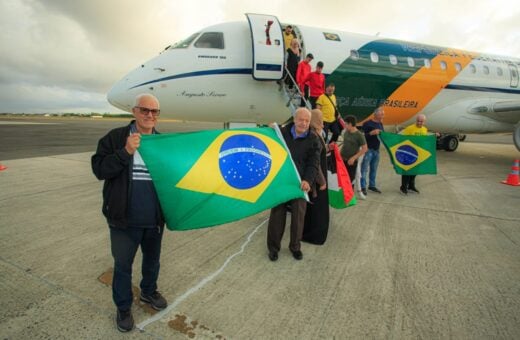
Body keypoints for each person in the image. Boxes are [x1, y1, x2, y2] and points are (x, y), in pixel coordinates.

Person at [91, 93, 168, 332]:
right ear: (134, 111)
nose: (149, 115)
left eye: (154, 112)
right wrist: (125, 152)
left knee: (152, 262)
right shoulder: (115, 138)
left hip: (154, 221)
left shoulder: (163, 143)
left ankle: (147, 292)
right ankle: (123, 307)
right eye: (144, 110)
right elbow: (100, 170)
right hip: (123, 221)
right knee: (123, 266)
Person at [267, 108, 321, 261]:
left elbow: (313, 163)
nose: (304, 123)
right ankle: (273, 248)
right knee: (277, 215)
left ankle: (295, 247)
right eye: (301, 120)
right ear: (294, 119)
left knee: (298, 217)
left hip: (300, 183)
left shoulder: (313, 139)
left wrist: (308, 180)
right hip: (282, 181)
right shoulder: (281, 133)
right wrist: (270, 129)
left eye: (307, 121)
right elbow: (267, 141)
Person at [302, 109, 330, 245]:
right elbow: (315, 162)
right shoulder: (314, 136)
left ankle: (309, 233)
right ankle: (314, 236)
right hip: (317, 181)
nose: (323, 124)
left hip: (314, 179)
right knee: (317, 209)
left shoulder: (313, 134)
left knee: (312, 208)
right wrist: (322, 181)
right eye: (321, 120)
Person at [399, 114, 433, 194]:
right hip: (409, 153)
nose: (419, 123)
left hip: (418, 154)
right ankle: (403, 187)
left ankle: (411, 186)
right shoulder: (410, 128)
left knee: (415, 171)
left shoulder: (424, 129)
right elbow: (401, 138)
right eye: (418, 121)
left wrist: (434, 136)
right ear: (416, 120)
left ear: (424, 122)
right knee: (407, 171)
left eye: (421, 121)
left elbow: (425, 140)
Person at [360, 107, 385, 195]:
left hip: (376, 150)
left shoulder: (381, 124)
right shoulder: (367, 123)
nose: (383, 115)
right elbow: (362, 136)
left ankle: (372, 185)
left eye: (383, 114)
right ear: (376, 114)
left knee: (374, 169)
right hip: (368, 150)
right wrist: (371, 133)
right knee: (364, 169)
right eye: (381, 114)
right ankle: (362, 186)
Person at [340, 115, 367, 184]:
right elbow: (344, 144)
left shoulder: (359, 135)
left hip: (351, 162)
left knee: (349, 181)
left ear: (350, 124)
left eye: (346, 124)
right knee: (342, 180)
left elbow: (365, 148)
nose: (344, 125)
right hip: (342, 160)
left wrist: (353, 158)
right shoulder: (346, 132)